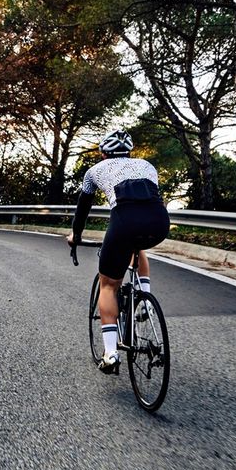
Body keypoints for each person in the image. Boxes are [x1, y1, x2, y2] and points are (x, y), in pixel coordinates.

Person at [67, 129, 170, 373]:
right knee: (138, 246)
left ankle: (111, 353)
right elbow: (147, 201)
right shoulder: (147, 166)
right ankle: (145, 302)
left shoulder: (93, 172)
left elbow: (82, 209)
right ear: (129, 151)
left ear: (103, 153)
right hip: (159, 223)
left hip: (124, 223)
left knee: (109, 285)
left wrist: (76, 236)